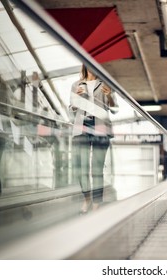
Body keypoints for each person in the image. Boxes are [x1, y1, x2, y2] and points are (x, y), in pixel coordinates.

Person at [69, 64, 118, 214]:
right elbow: (70, 112)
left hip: (100, 128)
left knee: (97, 170)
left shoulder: (106, 84)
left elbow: (115, 109)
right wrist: (76, 99)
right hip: (81, 128)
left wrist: (109, 95)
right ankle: (87, 198)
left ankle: (97, 202)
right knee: (81, 169)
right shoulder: (76, 84)